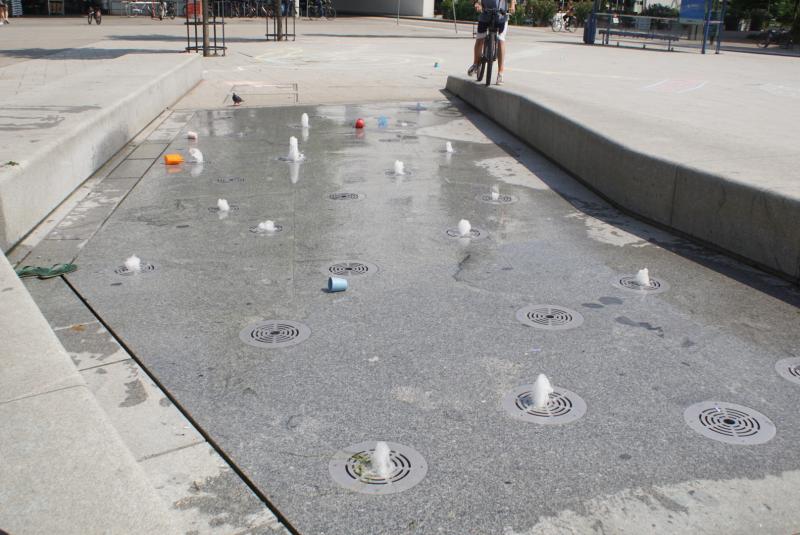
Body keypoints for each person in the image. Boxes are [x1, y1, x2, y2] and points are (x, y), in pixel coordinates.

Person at [467, 0, 516, 85]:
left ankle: (500, 73)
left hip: (501, 16)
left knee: (501, 40)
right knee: (480, 38)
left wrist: (512, 5)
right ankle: (475, 64)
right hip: (485, 14)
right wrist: (477, 4)